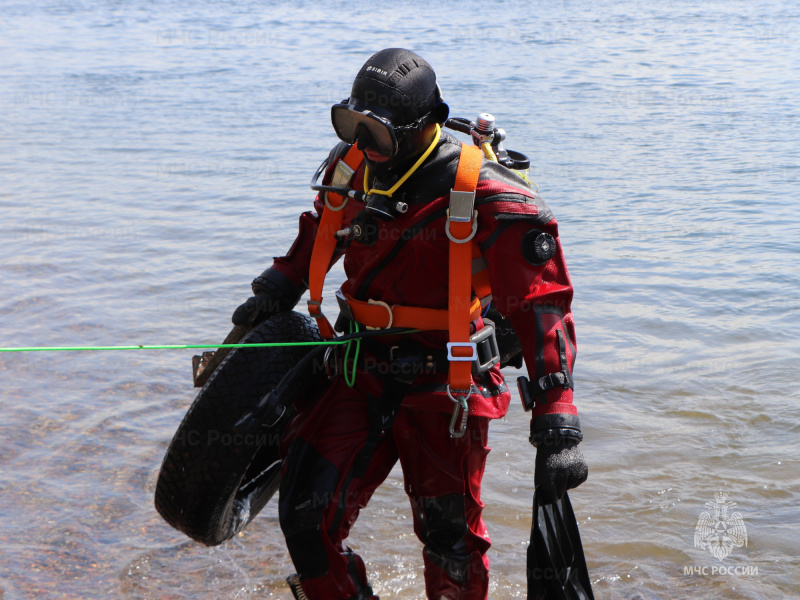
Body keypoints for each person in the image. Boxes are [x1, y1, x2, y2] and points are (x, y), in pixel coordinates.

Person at [231, 48, 588, 600]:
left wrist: (558, 417)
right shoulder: (352, 168)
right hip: (358, 368)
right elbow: (316, 241)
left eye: (376, 131)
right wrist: (274, 290)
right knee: (305, 517)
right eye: (352, 125)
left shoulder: (488, 194)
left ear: (426, 125)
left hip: (448, 387)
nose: (363, 142)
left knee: (449, 539)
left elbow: (543, 304)